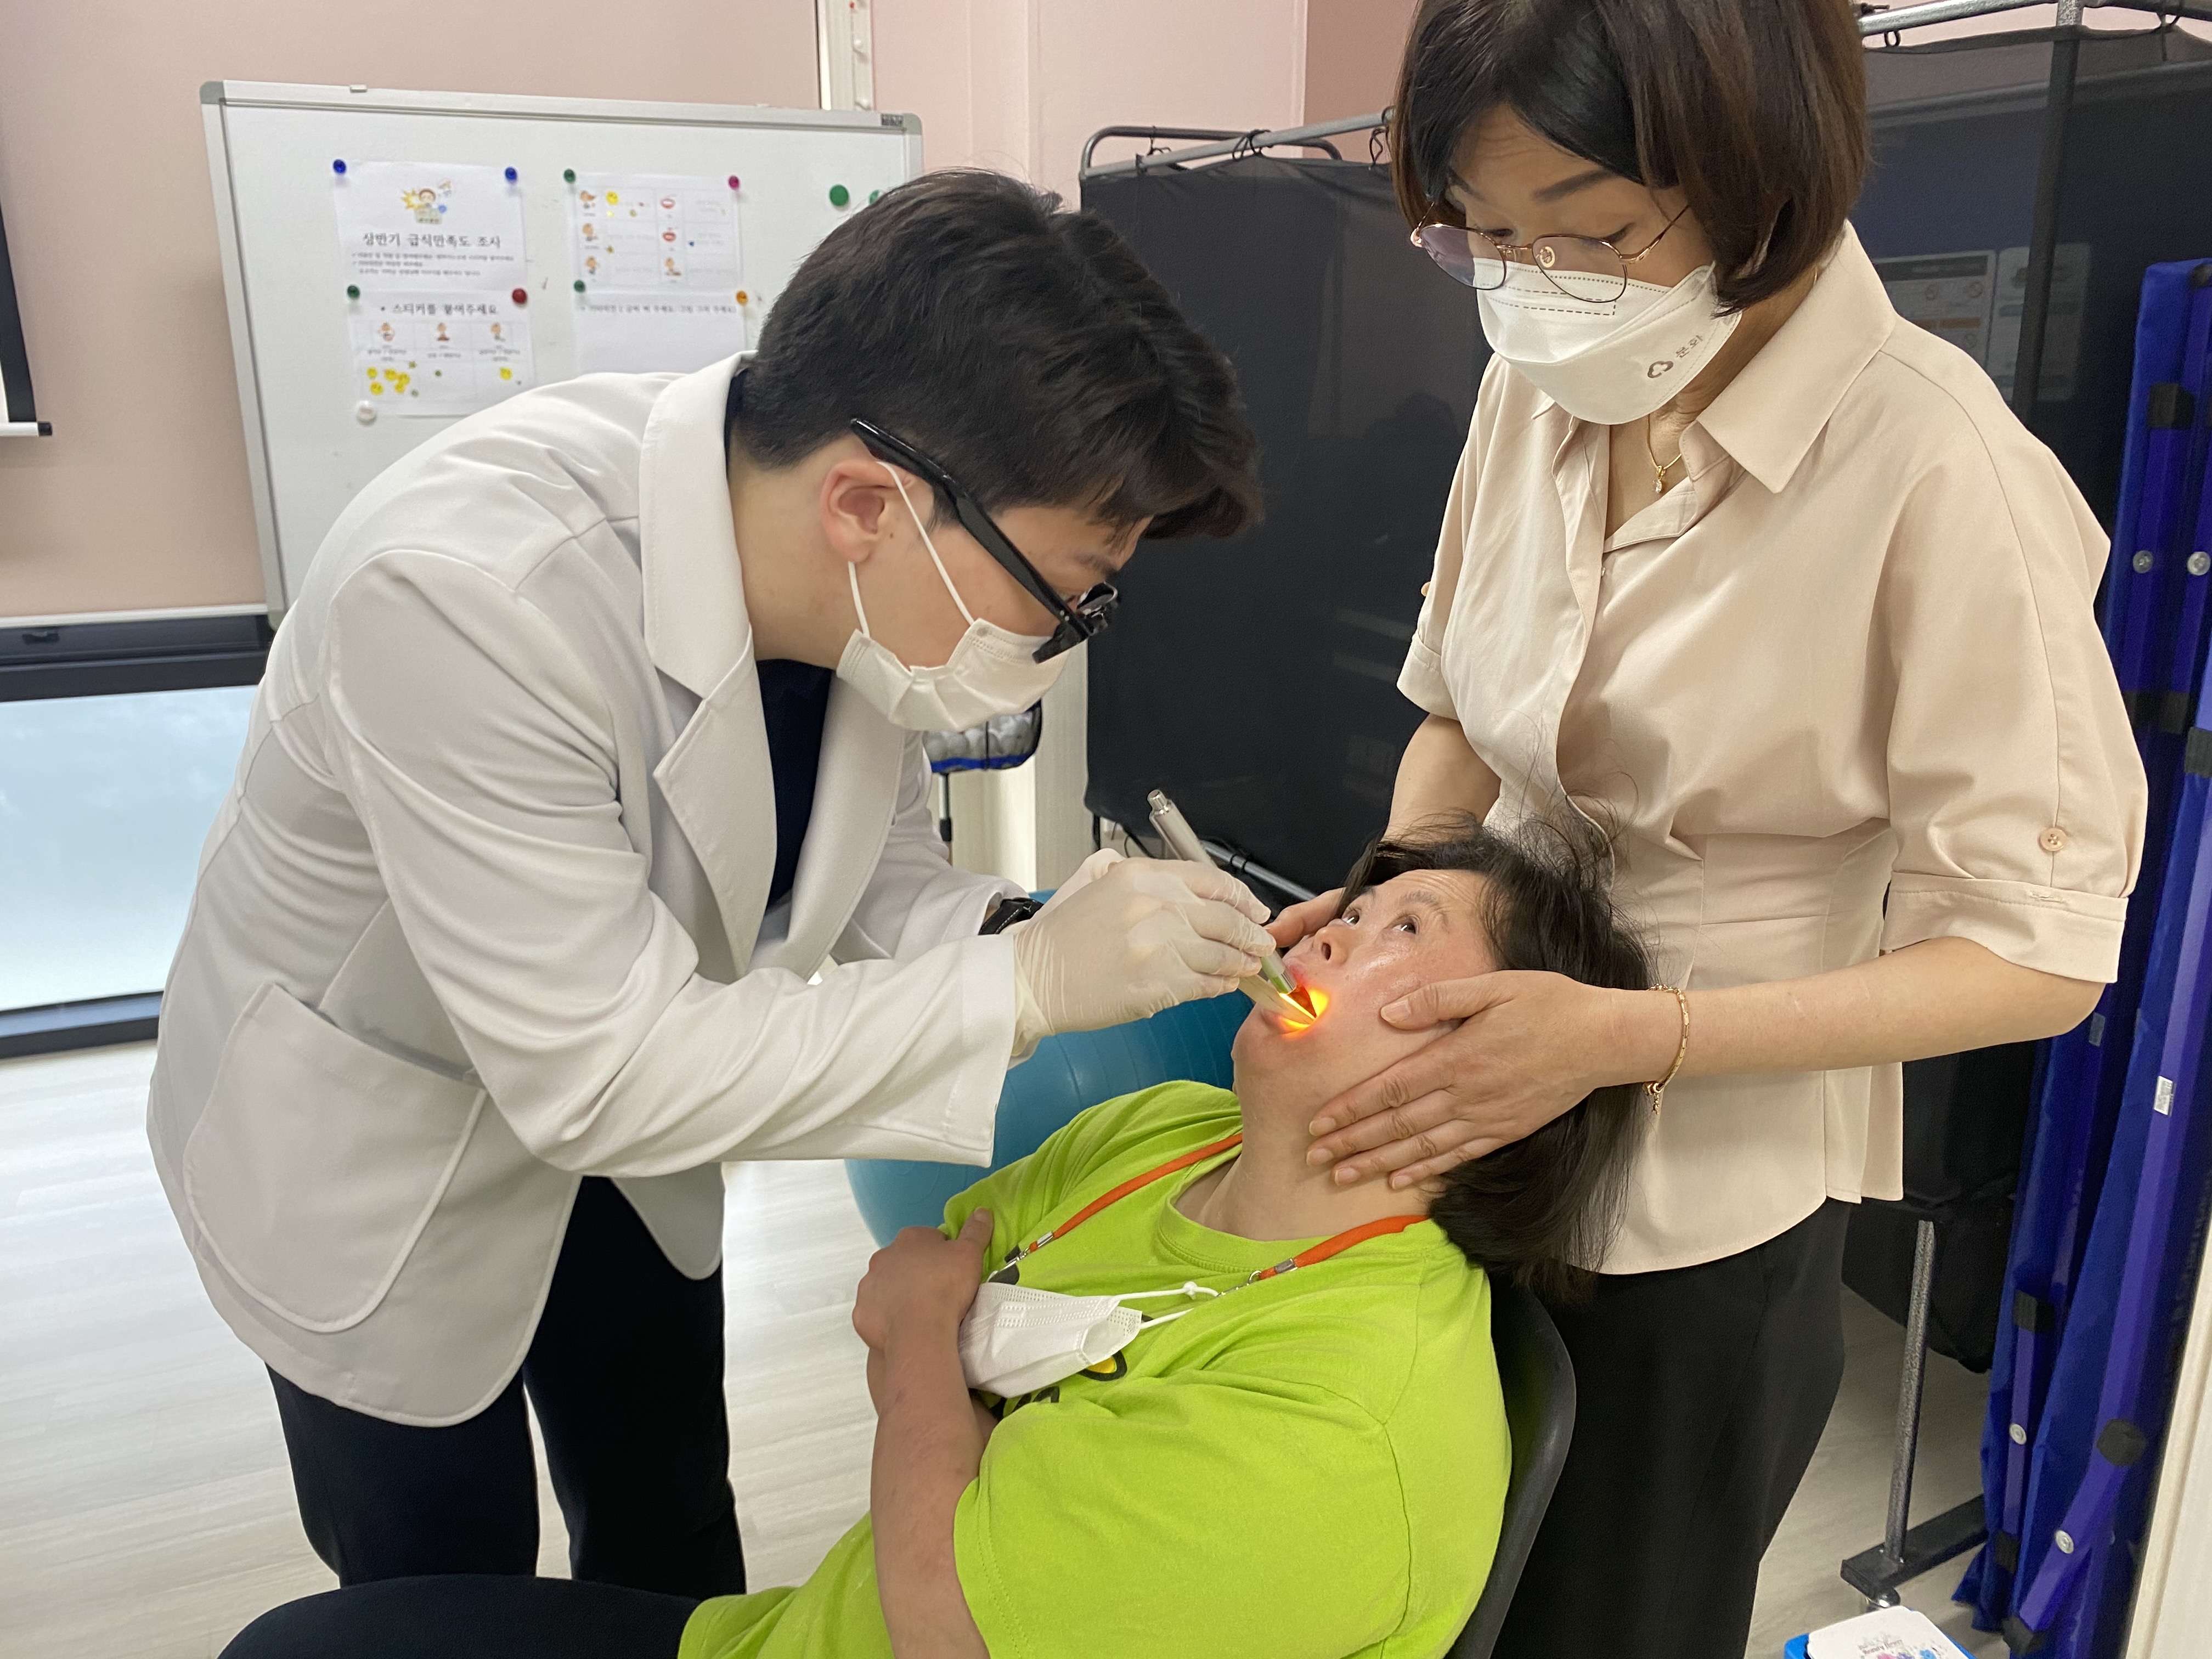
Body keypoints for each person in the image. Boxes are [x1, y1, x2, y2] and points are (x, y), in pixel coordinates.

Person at [147, 171, 1285, 1597]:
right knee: (439, 1579)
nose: (1065, 636)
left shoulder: (848, 577)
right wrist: (1034, 981)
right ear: (867, 502)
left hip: (638, 1133)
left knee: (668, 1509)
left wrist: (1036, 930)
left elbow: (869, 877)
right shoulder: (466, 594)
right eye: (1069, 590)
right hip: (383, 1135)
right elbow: (603, 1071)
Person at [1264, 4, 2151, 1655]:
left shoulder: (1938, 465)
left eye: (1590, 231)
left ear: (1759, 176)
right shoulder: (1540, 386)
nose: (1534, 285)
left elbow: (2039, 957)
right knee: (1422, 1584)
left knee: (1613, 1613)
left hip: (1697, 1217)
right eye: (1487, 238)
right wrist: (1394, 901)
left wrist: (1628, 1039)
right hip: (1469, 1131)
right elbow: (1457, 710)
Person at [218, 811, 1651, 1659]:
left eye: (1404, 935)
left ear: (1504, 1069)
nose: (1324, 933)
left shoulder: (1340, 1422)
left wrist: (929, 1352)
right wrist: (935, 1397)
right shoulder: (1170, 1130)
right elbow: (902, 1285)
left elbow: (943, 1604)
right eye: (1358, 903)